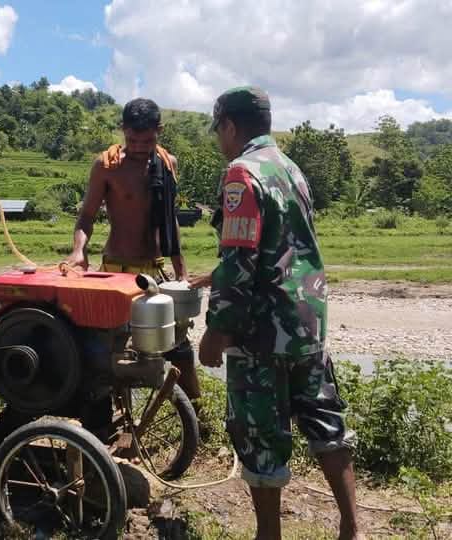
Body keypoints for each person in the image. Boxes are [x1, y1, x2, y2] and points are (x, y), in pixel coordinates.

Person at [190, 86, 363, 540]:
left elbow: (241, 259)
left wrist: (217, 328)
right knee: (324, 420)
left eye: (219, 131)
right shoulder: (291, 170)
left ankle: (269, 535)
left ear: (229, 126)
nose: (219, 140)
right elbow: (284, 245)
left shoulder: (241, 173)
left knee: (259, 432)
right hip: (307, 320)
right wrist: (215, 276)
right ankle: (353, 528)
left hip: (262, 331)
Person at [66, 97, 200, 403]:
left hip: (153, 271)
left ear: (160, 131)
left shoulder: (168, 164)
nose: (140, 146)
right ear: (123, 131)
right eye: (133, 139)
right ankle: (114, 418)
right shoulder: (107, 165)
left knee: (178, 347)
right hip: (115, 270)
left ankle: (198, 414)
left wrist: (180, 268)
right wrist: (78, 251)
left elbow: (169, 219)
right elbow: (86, 216)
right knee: (111, 351)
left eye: (148, 139)